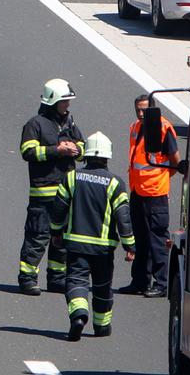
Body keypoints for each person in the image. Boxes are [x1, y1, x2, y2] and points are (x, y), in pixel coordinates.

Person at [50, 132, 134, 341]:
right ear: (107, 156)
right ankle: (102, 326)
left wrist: (56, 232)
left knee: (76, 282)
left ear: (85, 154)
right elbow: (123, 217)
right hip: (103, 248)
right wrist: (129, 245)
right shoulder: (115, 183)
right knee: (102, 286)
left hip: (77, 246)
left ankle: (79, 316)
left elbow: (59, 209)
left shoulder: (72, 178)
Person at [19, 78, 85, 295]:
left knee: (63, 237)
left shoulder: (69, 122)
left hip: (66, 192)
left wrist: (76, 149)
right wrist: (57, 150)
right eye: (64, 101)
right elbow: (28, 152)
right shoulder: (34, 124)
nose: (68, 105)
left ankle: (57, 279)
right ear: (53, 101)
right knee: (38, 236)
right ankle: (28, 278)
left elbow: (82, 144)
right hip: (43, 193)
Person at [121, 94, 178, 297]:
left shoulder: (163, 127)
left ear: (153, 109)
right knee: (140, 238)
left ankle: (161, 283)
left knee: (157, 239)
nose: (141, 113)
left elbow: (174, 160)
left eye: (144, 109)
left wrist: (160, 179)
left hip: (155, 193)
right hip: (137, 191)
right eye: (138, 109)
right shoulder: (135, 127)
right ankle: (140, 281)